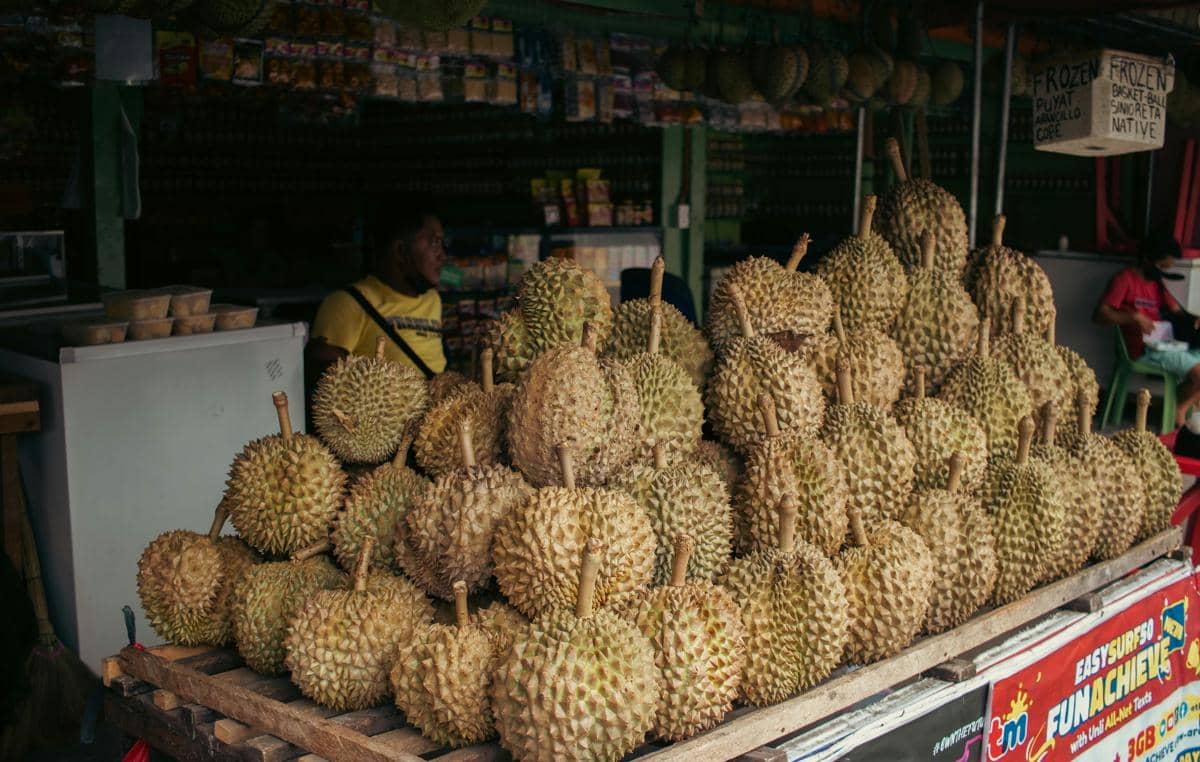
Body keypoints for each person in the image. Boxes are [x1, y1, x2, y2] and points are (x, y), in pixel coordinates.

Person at [307, 199, 447, 393]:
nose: (442, 255)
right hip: (383, 411)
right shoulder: (348, 303)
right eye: (435, 243)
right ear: (401, 251)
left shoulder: (433, 299)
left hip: (438, 410)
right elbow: (320, 377)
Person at [1094, 232, 1200, 427]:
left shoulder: (1156, 284)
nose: (1164, 272)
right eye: (1162, 266)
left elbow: (1177, 311)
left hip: (1162, 345)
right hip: (1141, 350)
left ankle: (1177, 407)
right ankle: (1179, 412)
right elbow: (1100, 315)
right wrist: (1133, 317)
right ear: (1146, 260)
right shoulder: (1125, 280)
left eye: (1168, 268)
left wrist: (1194, 319)